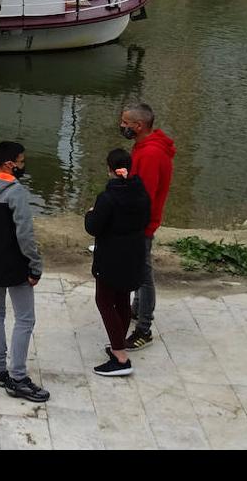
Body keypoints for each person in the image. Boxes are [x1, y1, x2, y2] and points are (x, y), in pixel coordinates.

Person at [0, 141, 49, 403]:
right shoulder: (16, 192)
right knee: (25, 319)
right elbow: (25, 235)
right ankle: (17, 377)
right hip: (16, 265)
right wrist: (35, 265)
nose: (23, 166)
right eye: (21, 161)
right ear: (9, 164)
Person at [85, 149, 150, 377]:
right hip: (133, 255)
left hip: (110, 258)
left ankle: (121, 357)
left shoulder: (108, 198)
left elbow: (93, 227)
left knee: (104, 301)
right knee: (122, 298)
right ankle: (117, 344)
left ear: (110, 169)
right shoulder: (141, 192)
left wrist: (90, 214)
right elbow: (146, 220)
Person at [119, 102, 176, 350]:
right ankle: (136, 308)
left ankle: (144, 328)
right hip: (139, 220)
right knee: (139, 270)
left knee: (143, 274)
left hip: (141, 223)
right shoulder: (144, 146)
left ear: (139, 125)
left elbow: (145, 196)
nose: (122, 126)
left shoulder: (151, 154)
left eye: (125, 122)